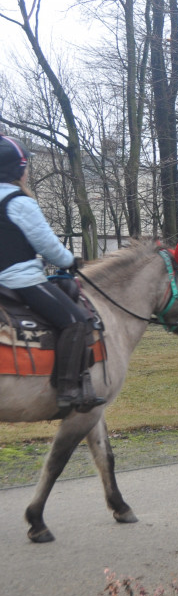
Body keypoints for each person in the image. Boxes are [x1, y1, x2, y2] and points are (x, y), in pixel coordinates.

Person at [0, 135, 105, 411]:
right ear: (17, 169)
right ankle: (69, 390)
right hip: (19, 279)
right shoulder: (19, 202)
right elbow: (47, 246)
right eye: (26, 166)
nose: (28, 171)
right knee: (76, 322)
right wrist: (69, 260)